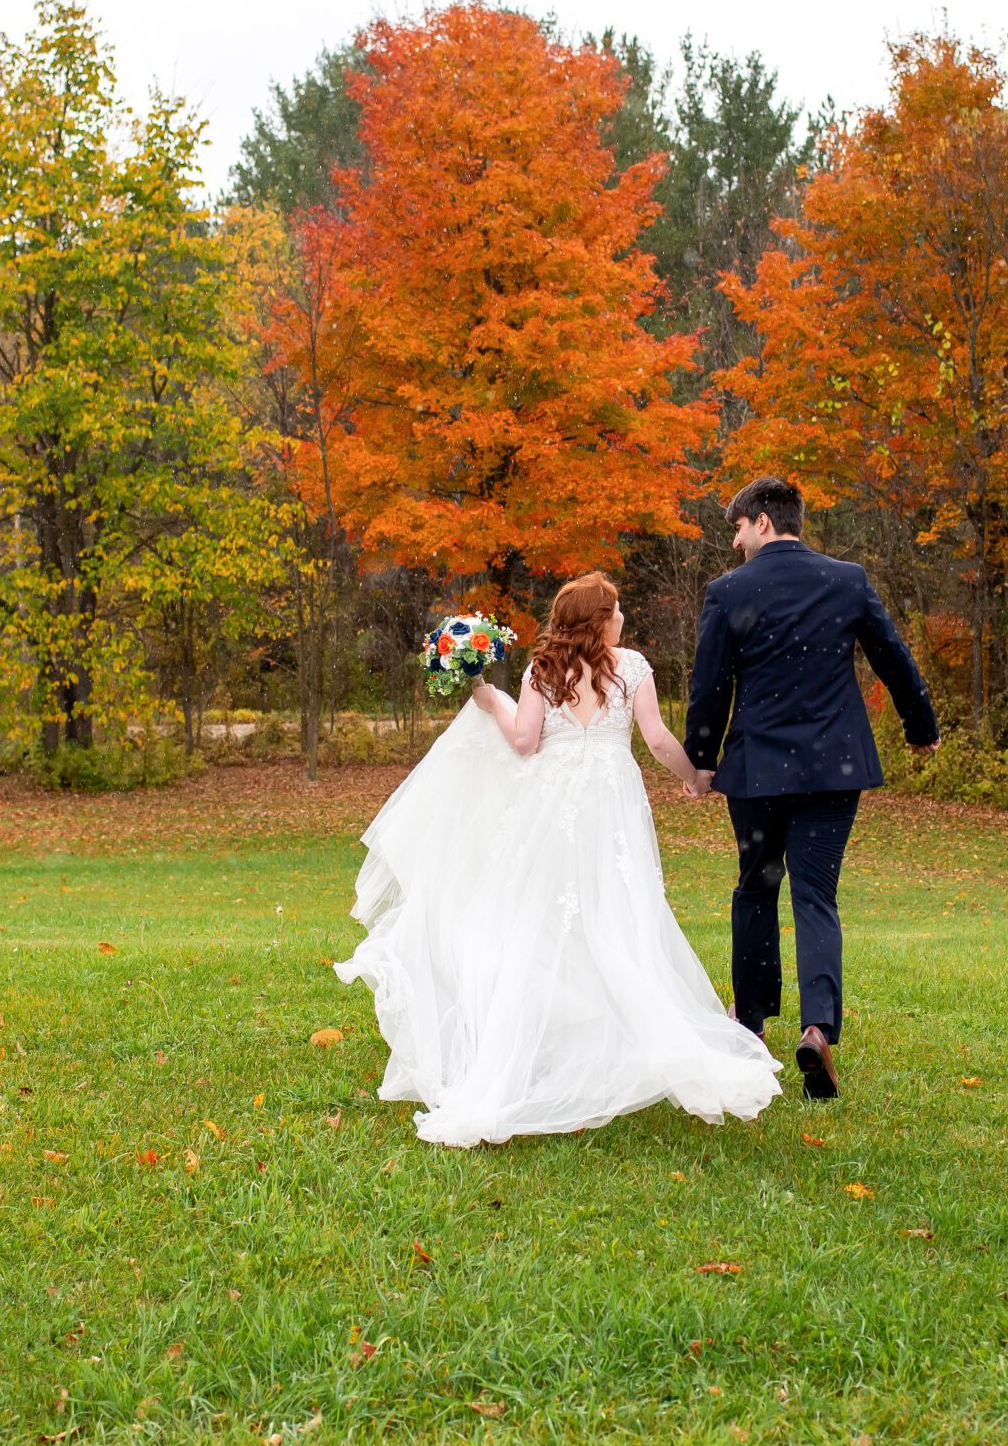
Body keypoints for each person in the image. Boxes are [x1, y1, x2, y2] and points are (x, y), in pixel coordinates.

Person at [334, 573, 780, 1147]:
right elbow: (657, 739)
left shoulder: (542, 671)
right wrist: (694, 775)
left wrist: (491, 701)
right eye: (616, 609)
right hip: (610, 800)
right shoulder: (632, 667)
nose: (623, 616)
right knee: (616, 913)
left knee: (544, 920)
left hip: (552, 802)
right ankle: (601, 1042)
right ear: (600, 619)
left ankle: (554, 1043)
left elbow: (524, 742)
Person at [684, 476, 939, 1099]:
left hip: (757, 771)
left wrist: (701, 759)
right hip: (833, 767)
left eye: (738, 528)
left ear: (763, 521)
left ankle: (750, 1021)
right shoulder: (846, 580)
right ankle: (817, 1026)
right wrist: (920, 727)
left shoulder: (728, 591)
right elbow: (893, 657)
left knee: (757, 885)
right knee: (817, 895)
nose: (736, 542)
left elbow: (710, 685)